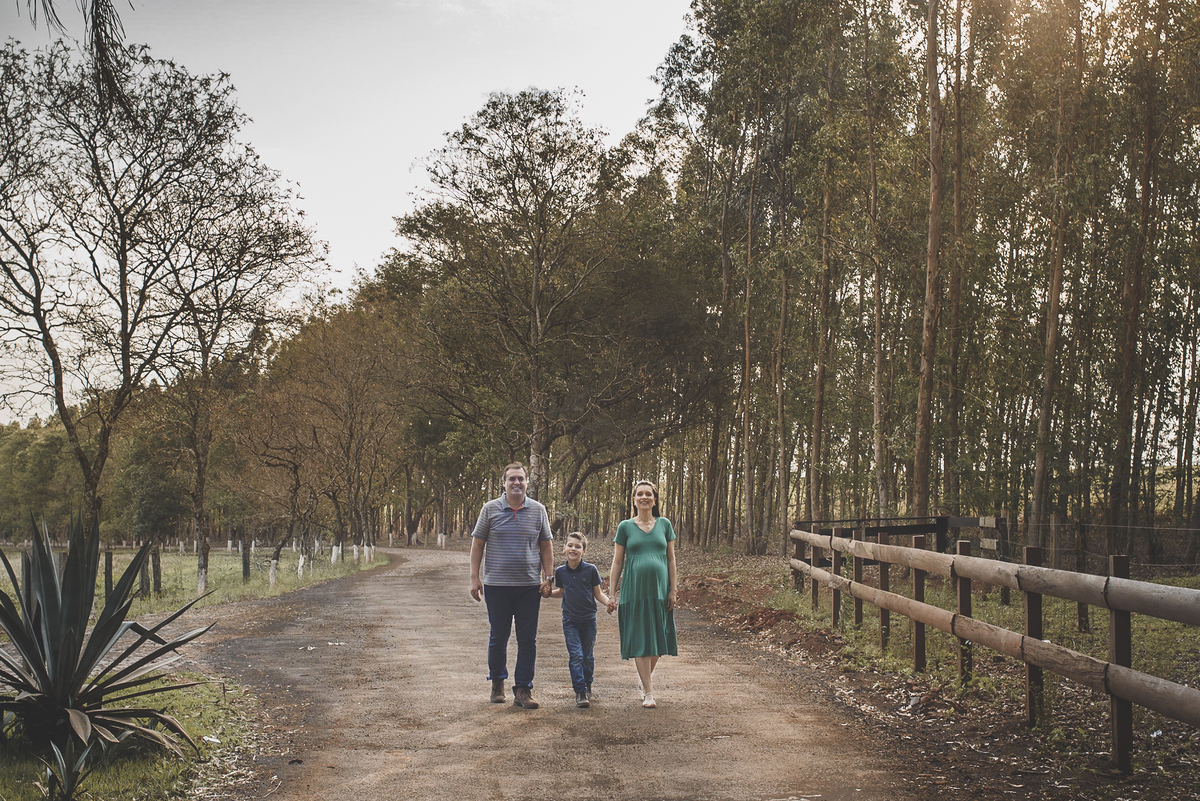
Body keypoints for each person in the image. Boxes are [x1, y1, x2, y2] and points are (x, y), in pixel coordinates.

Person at [470, 462, 554, 709]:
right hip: (497, 585)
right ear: (504, 483)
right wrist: (474, 577)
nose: (516, 483)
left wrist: (548, 578)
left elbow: (546, 546)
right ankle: (497, 681)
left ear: (527, 482)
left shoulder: (538, 510)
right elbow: (477, 544)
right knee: (499, 636)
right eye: (512, 479)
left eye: (521, 479)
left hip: (529, 586)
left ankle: (523, 689)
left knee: (527, 639)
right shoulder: (490, 509)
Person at [609, 479, 677, 708]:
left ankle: (643, 681)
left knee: (657, 640)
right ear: (634, 500)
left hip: (659, 589)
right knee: (639, 638)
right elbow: (617, 562)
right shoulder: (625, 527)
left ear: (655, 499)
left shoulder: (665, 524)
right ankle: (648, 692)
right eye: (640, 494)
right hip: (634, 590)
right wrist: (611, 593)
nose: (644, 497)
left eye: (649, 494)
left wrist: (673, 590)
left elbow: (671, 559)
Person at [545, 531, 615, 708]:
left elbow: (597, 593)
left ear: (584, 551)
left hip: (589, 620)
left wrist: (609, 603)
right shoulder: (560, 572)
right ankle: (580, 691)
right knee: (575, 655)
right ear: (564, 548)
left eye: (578, 546)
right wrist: (547, 594)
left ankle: (588, 683)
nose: (573, 549)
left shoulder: (590, 570)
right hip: (570, 620)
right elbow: (561, 592)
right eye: (570, 545)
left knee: (587, 656)